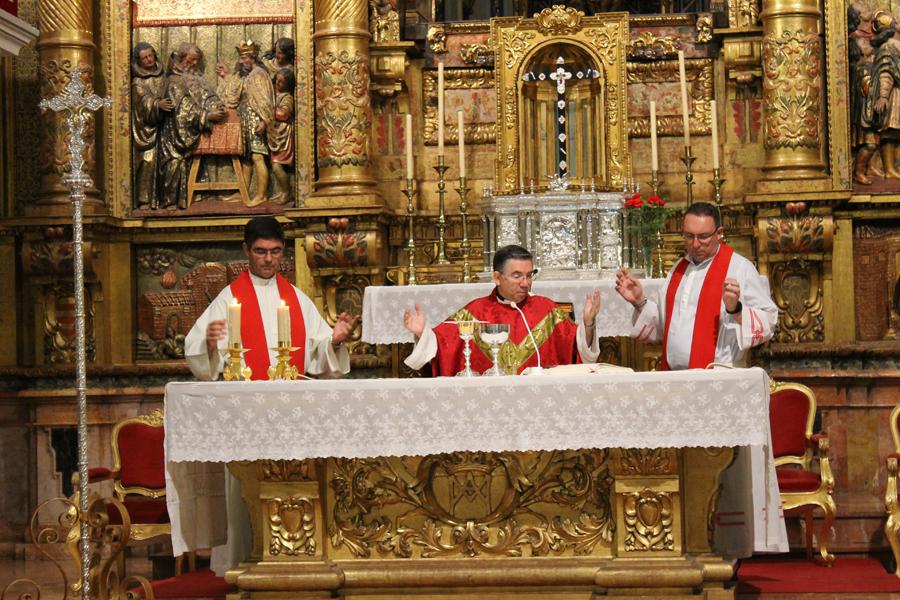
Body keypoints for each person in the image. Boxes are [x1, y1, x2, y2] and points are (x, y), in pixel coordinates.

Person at [184, 216, 357, 380]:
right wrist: (208, 345)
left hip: (291, 398)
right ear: (246, 249)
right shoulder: (228, 299)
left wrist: (334, 342)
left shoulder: (298, 299)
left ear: (283, 248)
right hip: (246, 398)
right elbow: (198, 355)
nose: (268, 259)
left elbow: (320, 358)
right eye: (260, 251)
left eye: (275, 251)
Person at [614, 202, 777, 370]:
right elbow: (666, 327)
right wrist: (639, 301)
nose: (696, 244)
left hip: (719, 377)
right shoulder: (679, 269)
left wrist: (736, 309)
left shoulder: (739, 268)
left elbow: (769, 322)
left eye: (703, 236)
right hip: (675, 377)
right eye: (689, 236)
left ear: (719, 233)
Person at [402, 244, 601, 375]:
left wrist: (588, 323)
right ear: (497, 278)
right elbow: (441, 346)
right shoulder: (476, 311)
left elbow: (578, 349)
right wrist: (423, 334)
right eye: (517, 276)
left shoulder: (548, 310)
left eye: (529, 275)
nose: (525, 283)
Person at [157, 43, 226, 209]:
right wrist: (207, 115)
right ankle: (173, 202)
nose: (195, 64)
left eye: (197, 60)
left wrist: (216, 105)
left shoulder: (196, 79)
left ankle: (199, 196)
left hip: (196, 129)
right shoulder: (174, 81)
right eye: (192, 60)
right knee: (174, 164)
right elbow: (184, 110)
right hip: (176, 136)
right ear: (182, 58)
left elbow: (206, 95)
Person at [217, 40, 275, 207]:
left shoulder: (258, 74)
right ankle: (243, 191)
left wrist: (265, 121)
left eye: (244, 58)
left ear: (252, 58)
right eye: (240, 58)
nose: (241, 62)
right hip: (246, 120)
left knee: (257, 157)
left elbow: (265, 100)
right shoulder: (249, 75)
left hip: (256, 121)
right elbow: (237, 91)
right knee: (247, 159)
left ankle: (262, 194)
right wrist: (226, 76)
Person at [131, 42, 173, 209]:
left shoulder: (163, 77)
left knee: (168, 162)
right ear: (138, 61)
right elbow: (142, 102)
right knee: (147, 162)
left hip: (165, 128)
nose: (149, 60)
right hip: (147, 130)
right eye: (144, 58)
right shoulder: (138, 82)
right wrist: (156, 105)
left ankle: (165, 199)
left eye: (150, 56)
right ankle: (144, 200)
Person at [268, 68, 295, 204]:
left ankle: (287, 192)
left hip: (284, 135)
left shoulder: (287, 97)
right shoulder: (274, 94)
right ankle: (281, 192)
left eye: (281, 82)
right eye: (277, 80)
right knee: (275, 165)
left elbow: (284, 115)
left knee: (276, 166)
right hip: (275, 135)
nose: (278, 83)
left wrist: (268, 110)